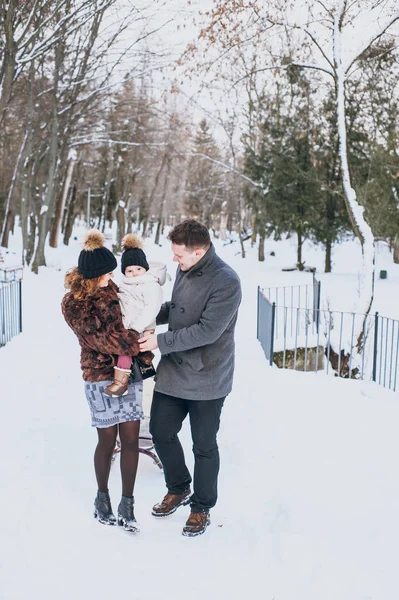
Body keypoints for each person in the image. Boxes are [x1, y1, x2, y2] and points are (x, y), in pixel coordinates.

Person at [139, 219, 242, 537]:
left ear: (199, 251)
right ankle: (179, 487)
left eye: (179, 255)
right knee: (160, 430)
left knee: (204, 445)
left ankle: (201, 507)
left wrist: (160, 341)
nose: (174, 261)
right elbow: (178, 308)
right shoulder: (186, 268)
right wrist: (147, 314)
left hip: (207, 376)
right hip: (175, 371)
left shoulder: (226, 282)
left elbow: (208, 331)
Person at [61, 229, 153, 533]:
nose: (112, 275)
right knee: (106, 440)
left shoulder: (113, 287)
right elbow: (99, 339)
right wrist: (133, 340)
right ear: (92, 275)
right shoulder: (73, 303)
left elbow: (137, 306)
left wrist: (151, 323)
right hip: (99, 377)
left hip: (129, 375)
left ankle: (128, 504)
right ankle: (103, 498)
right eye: (106, 272)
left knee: (130, 440)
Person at [104, 233, 167, 398]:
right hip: (126, 325)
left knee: (127, 351)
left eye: (138, 269)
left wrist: (134, 328)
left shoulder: (150, 285)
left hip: (140, 327)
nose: (135, 273)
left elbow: (151, 309)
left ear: (145, 268)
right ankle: (130, 381)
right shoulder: (123, 283)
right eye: (129, 270)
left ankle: (121, 383)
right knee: (123, 352)